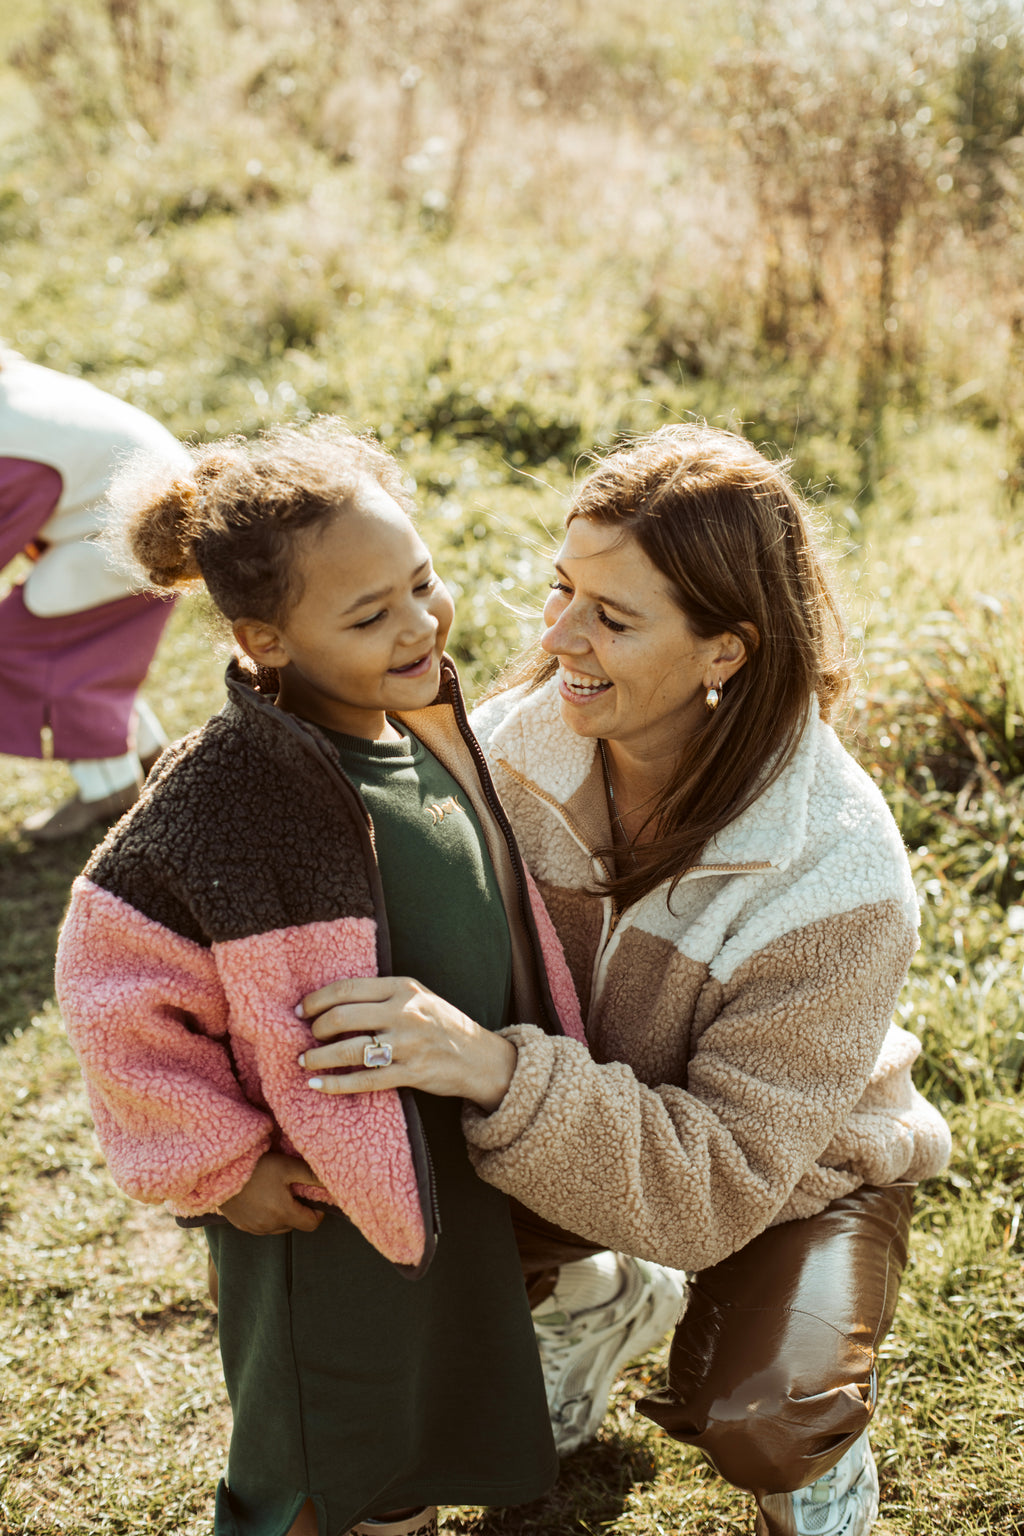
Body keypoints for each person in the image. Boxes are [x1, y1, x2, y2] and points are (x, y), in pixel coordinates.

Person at [293, 424, 952, 1536]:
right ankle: (596, 1297)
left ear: (724, 651)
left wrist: (498, 1070)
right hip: (567, 1129)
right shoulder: (496, 753)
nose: (558, 638)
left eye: (612, 616)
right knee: (351, 1220)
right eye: (561, 591)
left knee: (763, 1419)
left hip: (783, 1176)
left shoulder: (839, 872)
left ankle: (817, 1465)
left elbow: (720, 1185)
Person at [54, 420, 587, 1536]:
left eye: (421, 583)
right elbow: (113, 988)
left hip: (437, 1157)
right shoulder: (229, 796)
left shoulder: (424, 729)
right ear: (265, 639)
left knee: (427, 1399)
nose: (419, 622)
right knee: (328, 1431)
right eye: (368, 614)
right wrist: (219, 1163)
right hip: (319, 1185)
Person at [0, 349, 191, 840]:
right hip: (147, 514)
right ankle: (147, 755)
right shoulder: (16, 392)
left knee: (38, 648)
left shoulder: (11, 446)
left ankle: (111, 788)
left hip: (134, 531)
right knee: (91, 654)